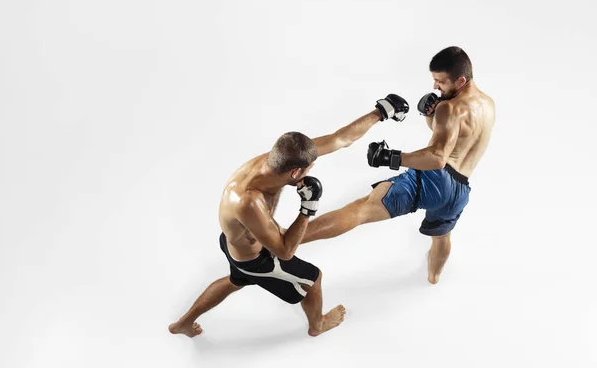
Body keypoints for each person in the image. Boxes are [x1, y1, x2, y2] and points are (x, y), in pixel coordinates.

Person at [168, 94, 410, 338]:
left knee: (235, 281)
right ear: (296, 172)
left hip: (237, 243)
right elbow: (284, 252)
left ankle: (182, 324)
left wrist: (379, 113)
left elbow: (339, 139)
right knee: (313, 280)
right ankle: (318, 325)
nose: (311, 170)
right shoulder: (249, 201)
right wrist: (308, 208)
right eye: (308, 169)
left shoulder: (273, 161)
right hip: (257, 259)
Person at [301, 46, 495, 285]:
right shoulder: (488, 104)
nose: (435, 87)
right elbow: (453, 140)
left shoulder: (450, 108)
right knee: (442, 237)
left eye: (440, 82)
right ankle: (433, 278)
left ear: (461, 80)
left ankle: (287, 239)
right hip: (459, 192)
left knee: (362, 208)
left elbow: (437, 157)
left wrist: (392, 157)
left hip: (435, 179)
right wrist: (431, 118)